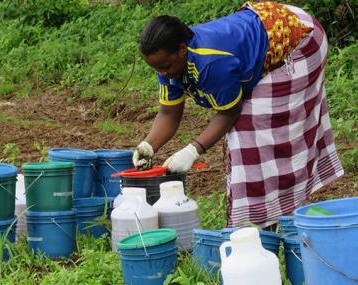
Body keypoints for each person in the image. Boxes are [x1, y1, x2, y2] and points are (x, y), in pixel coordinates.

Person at [133, 1, 344, 227]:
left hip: (297, 37)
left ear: (182, 49)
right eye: (157, 69)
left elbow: (230, 111)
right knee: (247, 138)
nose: (163, 74)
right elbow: (169, 113)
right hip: (262, 27)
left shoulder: (211, 63)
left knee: (253, 131)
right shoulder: (169, 63)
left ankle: (269, 217)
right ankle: (262, 218)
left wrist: (193, 149)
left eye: (166, 67)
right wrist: (148, 146)